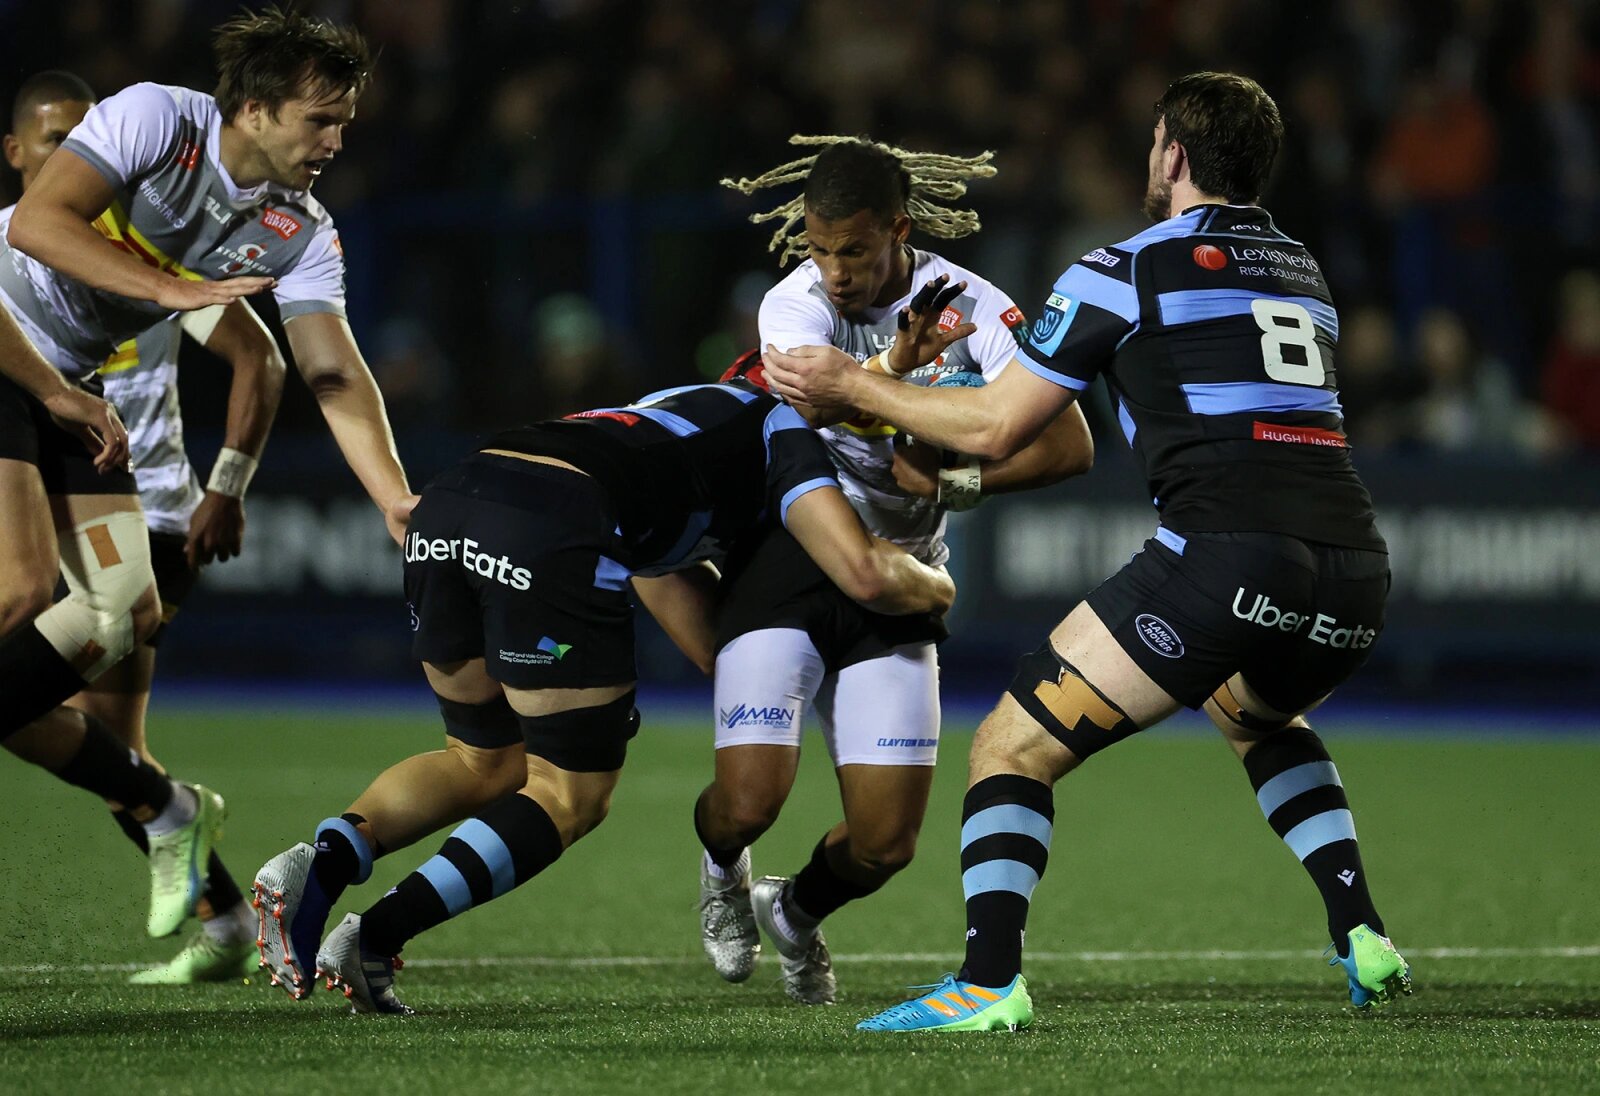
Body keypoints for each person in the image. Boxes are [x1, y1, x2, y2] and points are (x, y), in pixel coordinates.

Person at [765, 72, 1412, 1031]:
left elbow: (997, 425)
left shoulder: (1126, 267)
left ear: (1174, 155)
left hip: (1227, 555)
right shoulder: (1299, 268)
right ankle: (1363, 931)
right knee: (1255, 713)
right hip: (1355, 572)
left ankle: (987, 984)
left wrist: (855, 387)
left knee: (1009, 746)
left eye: (1155, 143)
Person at [252, 377, 955, 1014]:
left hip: (455, 499)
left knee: (481, 759)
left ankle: (324, 859)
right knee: (569, 792)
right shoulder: (786, 431)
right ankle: (374, 936)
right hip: (552, 524)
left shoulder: (683, 410)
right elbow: (854, 571)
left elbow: (674, 584)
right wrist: (933, 586)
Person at [0, 10, 412, 936]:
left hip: (67, 388)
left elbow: (331, 371)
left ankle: (166, 807)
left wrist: (394, 497)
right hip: (5, 335)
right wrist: (169, 289)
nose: (335, 142)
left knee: (119, 612)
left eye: (344, 122)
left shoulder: (301, 230)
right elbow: (35, 221)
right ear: (256, 110)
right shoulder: (157, 118)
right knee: (22, 592)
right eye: (320, 120)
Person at [693, 137, 1093, 1005]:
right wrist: (911, 379)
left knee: (884, 845)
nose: (835, 272)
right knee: (748, 803)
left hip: (905, 566)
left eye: (855, 250)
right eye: (819, 248)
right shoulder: (792, 304)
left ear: (899, 231)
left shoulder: (976, 307)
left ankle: (794, 910)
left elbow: (1069, 445)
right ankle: (723, 869)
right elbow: (816, 402)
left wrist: (954, 480)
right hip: (797, 550)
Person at [5, 69, 290, 981]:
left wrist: (227, 485)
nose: (79, 153)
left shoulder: (149, 256)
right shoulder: (19, 249)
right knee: (58, 720)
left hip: (146, 504)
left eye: (88, 137)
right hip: (44, 480)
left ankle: (212, 894)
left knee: (83, 714)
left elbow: (259, 357)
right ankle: (223, 912)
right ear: (17, 154)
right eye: (57, 141)